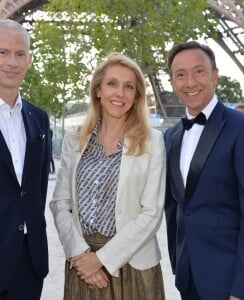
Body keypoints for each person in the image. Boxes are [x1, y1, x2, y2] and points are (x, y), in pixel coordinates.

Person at [164, 41, 244, 300]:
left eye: (199, 71)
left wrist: (243, 287)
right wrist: (179, 263)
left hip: (232, 280)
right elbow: (174, 208)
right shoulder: (171, 136)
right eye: (180, 74)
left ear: (215, 75)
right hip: (189, 278)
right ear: (172, 81)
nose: (190, 82)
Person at [50, 52, 166, 300]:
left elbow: (152, 212)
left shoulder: (152, 141)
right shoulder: (75, 139)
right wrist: (81, 255)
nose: (120, 93)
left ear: (136, 96)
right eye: (112, 83)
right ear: (98, 90)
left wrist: (102, 260)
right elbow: (60, 203)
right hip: (82, 263)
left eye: (129, 87)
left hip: (133, 265)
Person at [0, 20, 51, 299]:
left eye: (20, 54)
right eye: (2, 52)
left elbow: (37, 189)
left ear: (29, 60)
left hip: (28, 262)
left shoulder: (39, 119)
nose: (12, 61)